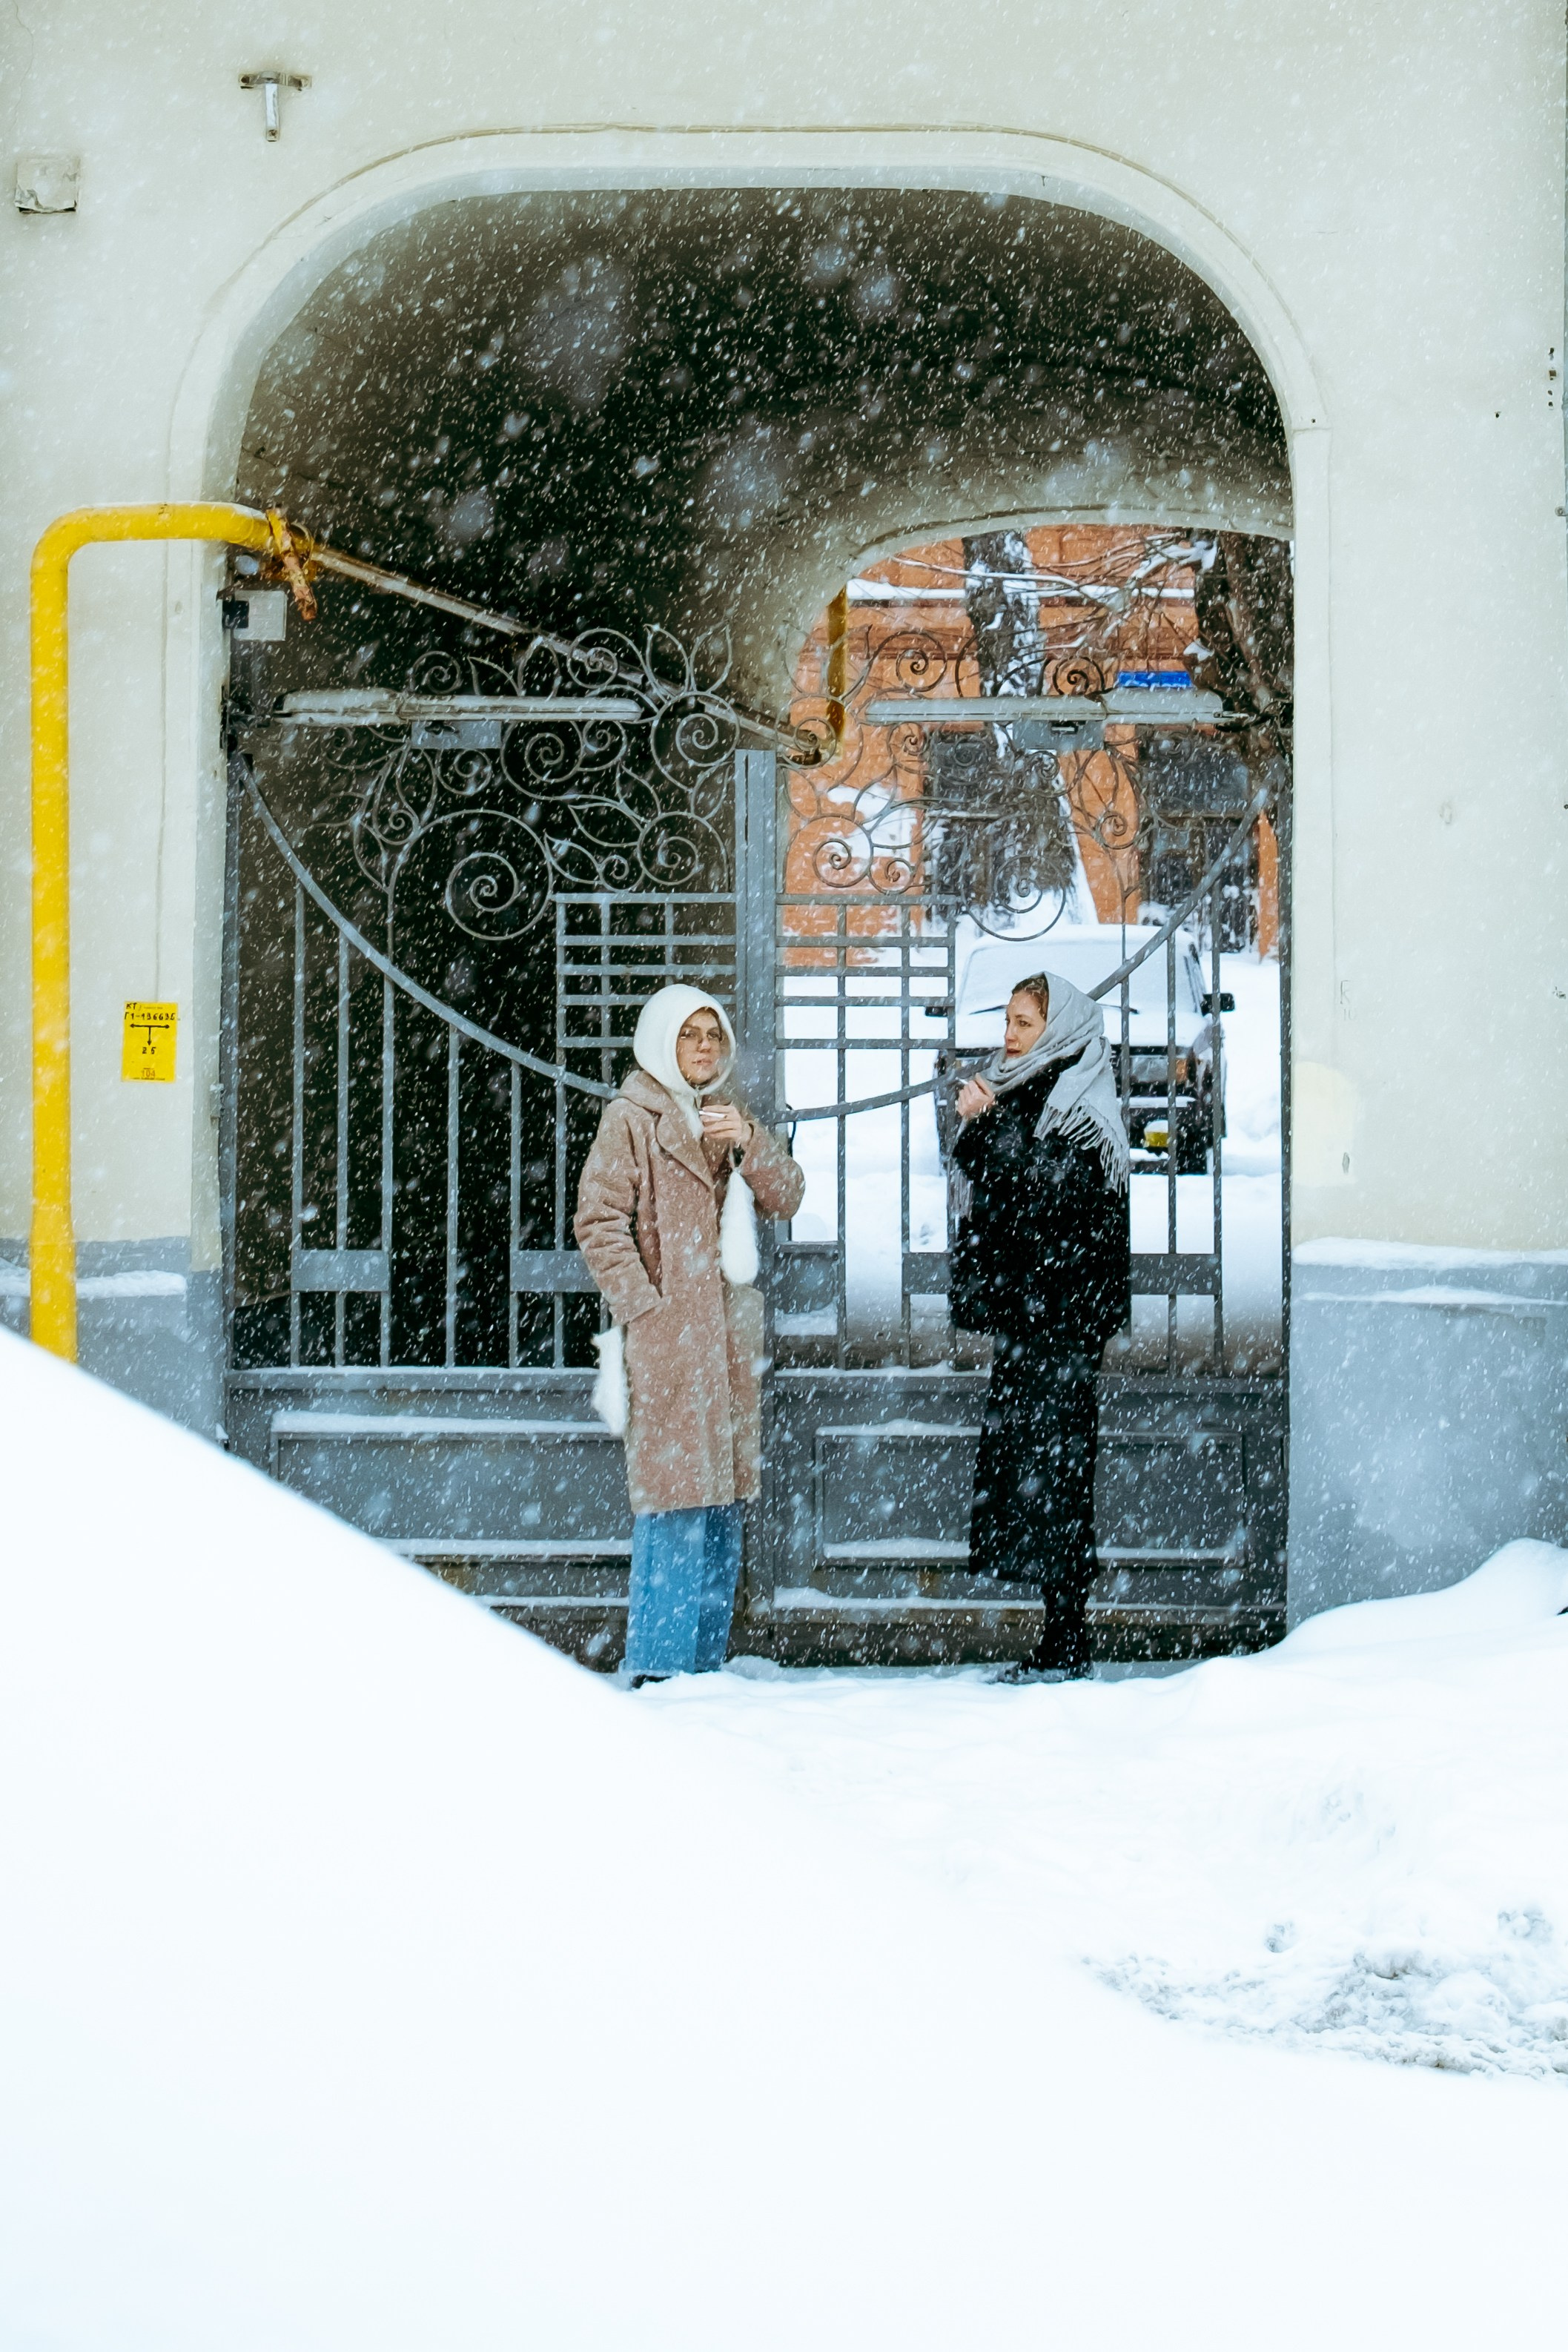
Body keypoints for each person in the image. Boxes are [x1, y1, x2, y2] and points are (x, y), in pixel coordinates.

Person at [574, 982, 804, 1684]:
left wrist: (753, 1143)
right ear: (661, 1040)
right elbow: (597, 1222)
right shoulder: (633, 1117)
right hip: (669, 1341)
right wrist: (647, 1311)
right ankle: (660, 1670)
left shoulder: (726, 1116)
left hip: (727, 1342)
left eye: (713, 1035)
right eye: (689, 1035)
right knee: (674, 1502)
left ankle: (704, 1672)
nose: (704, 1047)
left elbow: (788, 1195)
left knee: (720, 1500)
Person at [950, 971, 1131, 1682]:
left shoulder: (1079, 1096)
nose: (1009, 1037)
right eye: (1008, 1023)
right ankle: (1058, 1636)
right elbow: (997, 1177)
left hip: (1061, 1320)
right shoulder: (1027, 1081)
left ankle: (1068, 1639)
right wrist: (983, 1122)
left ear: (1055, 1030)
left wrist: (988, 1123)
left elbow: (1053, 1190)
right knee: (1033, 1471)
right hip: (1030, 1315)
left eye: (1023, 1025)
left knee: (1057, 1472)